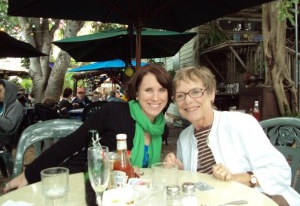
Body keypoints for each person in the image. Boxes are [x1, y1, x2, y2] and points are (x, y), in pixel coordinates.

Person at [4, 63, 172, 192]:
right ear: (137, 92)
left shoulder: (160, 129)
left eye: (162, 90)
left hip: (129, 195)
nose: (156, 97)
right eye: (148, 90)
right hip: (84, 186)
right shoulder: (115, 112)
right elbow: (71, 143)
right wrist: (30, 173)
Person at [164, 66, 300, 206]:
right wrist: (179, 171)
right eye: (180, 95)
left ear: (211, 94)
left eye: (196, 92)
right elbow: (195, 185)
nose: (188, 100)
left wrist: (236, 178)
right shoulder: (184, 138)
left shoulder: (240, 123)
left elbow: (280, 172)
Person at [0, 79, 24, 145]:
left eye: (0, 91)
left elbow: (9, 126)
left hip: (4, 140)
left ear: (9, 91)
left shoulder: (16, 105)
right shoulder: (4, 104)